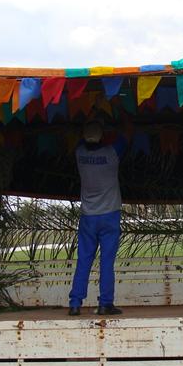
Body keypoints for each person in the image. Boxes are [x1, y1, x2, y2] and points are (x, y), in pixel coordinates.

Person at [68, 120, 125, 317]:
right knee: (106, 262)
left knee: (83, 260)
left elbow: (77, 140)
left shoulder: (80, 154)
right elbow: (125, 134)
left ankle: (75, 303)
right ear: (102, 137)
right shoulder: (112, 153)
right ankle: (105, 304)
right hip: (110, 215)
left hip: (88, 216)